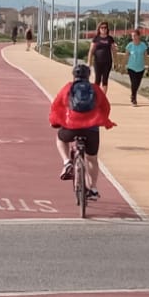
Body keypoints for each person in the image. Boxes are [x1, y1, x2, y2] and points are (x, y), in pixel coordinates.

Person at [49, 61, 114, 197]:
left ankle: (67, 162)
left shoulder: (68, 88)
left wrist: (55, 122)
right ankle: (94, 189)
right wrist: (104, 120)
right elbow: (106, 107)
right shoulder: (95, 89)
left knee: (60, 138)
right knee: (92, 159)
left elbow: (56, 106)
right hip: (91, 129)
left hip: (71, 127)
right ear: (88, 76)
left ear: (74, 76)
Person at [125, 30, 149, 105]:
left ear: (139, 36)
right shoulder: (130, 45)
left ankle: (133, 94)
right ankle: (134, 97)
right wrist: (122, 65)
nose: (133, 37)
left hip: (140, 68)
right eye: (132, 36)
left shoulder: (143, 45)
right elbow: (126, 56)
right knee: (134, 82)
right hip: (131, 67)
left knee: (137, 83)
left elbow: (145, 56)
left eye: (135, 35)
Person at [90, 23, 116, 87]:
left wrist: (115, 62)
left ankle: (103, 96)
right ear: (99, 29)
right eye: (102, 27)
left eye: (105, 27)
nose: (104, 29)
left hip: (107, 62)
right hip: (97, 62)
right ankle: (97, 95)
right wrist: (89, 61)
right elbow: (91, 51)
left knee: (105, 79)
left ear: (107, 29)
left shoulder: (110, 38)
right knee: (97, 79)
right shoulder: (96, 38)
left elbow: (114, 51)